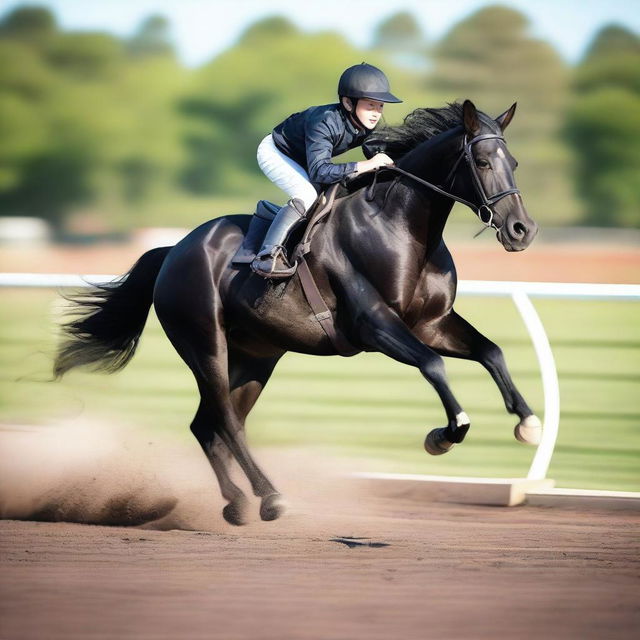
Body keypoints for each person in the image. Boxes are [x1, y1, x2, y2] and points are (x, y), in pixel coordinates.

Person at [250, 62, 402, 279]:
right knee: (307, 195)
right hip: (276, 153)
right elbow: (320, 172)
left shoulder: (364, 124)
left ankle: (291, 229)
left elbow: (379, 152)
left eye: (380, 106)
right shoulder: (324, 122)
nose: (376, 113)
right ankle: (267, 255)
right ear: (348, 103)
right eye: (370, 105)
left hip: (308, 159)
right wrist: (366, 165)